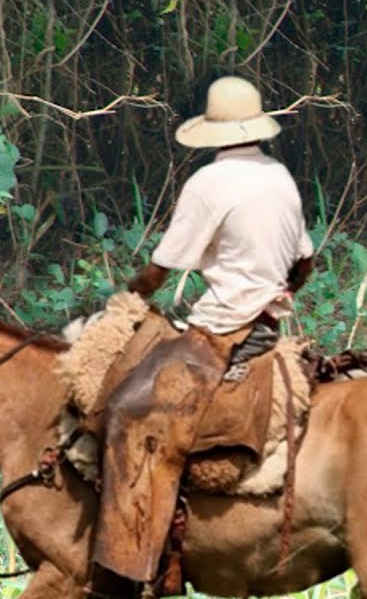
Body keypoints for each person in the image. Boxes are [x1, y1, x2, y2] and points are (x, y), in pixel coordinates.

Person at [91, 75, 314, 589]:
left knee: (127, 408)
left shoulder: (208, 184)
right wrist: (278, 292)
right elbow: (306, 262)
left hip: (224, 325)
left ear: (213, 132)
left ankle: (137, 562)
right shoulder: (279, 175)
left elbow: (163, 267)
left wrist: (131, 297)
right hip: (266, 322)